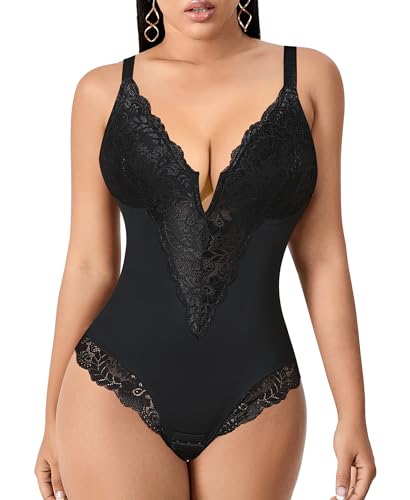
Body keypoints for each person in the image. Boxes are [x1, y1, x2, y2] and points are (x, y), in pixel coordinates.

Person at [34, 1, 376, 499]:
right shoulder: (101, 91)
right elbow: (89, 265)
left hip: (259, 390)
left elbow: (323, 255)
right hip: (112, 388)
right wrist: (50, 418)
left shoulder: (310, 77)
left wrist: (353, 413)